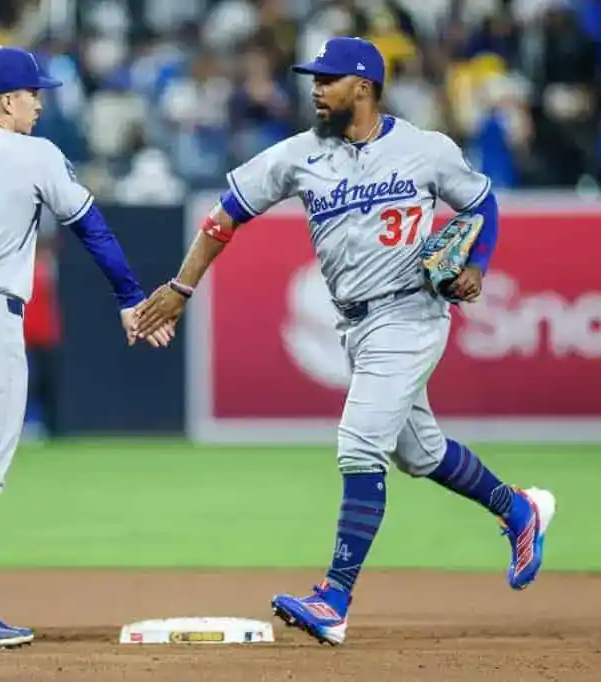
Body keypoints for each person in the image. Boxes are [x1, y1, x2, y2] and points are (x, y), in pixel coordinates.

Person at [133, 37, 556, 646]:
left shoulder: (424, 150)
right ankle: (520, 510)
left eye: (328, 79)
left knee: (360, 445)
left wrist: (478, 266)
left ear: (363, 86)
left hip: (412, 313)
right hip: (355, 322)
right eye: (315, 78)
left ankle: (333, 597)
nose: (315, 87)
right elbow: (222, 217)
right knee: (419, 453)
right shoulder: (298, 155)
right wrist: (181, 285)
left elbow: (482, 201)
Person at [0, 45, 172, 650]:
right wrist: (129, 297)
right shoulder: (33, 153)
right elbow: (90, 225)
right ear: (10, 100)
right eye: (34, 94)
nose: (41, 104)